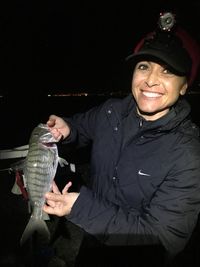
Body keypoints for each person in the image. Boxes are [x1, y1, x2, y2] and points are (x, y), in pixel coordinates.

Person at [43, 11, 200, 266]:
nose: (151, 80)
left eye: (168, 71)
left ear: (184, 86)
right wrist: (67, 129)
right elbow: (81, 129)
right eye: (143, 66)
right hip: (92, 238)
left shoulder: (189, 155)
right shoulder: (111, 111)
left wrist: (81, 208)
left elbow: (161, 240)